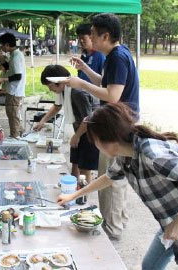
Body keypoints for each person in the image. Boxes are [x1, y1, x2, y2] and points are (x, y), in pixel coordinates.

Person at [57, 102, 178, 269]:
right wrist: (73, 195)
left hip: (175, 222)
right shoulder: (126, 154)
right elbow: (108, 177)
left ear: (108, 140)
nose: (95, 146)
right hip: (168, 223)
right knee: (150, 266)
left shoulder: (152, 154)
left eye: (95, 142)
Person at [65, 13, 140, 240]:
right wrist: (85, 70)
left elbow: (112, 95)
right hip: (120, 122)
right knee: (117, 174)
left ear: (105, 35)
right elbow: (105, 82)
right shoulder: (115, 55)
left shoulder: (117, 57)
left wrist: (81, 84)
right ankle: (119, 221)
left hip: (119, 125)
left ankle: (113, 227)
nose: (90, 38)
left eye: (93, 34)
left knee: (112, 177)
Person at [69, 23, 106, 183]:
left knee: (86, 146)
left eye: (83, 39)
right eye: (79, 39)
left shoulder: (100, 56)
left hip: (93, 104)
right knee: (78, 146)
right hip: (81, 99)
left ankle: (84, 185)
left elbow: (101, 83)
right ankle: (77, 182)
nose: (82, 42)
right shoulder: (84, 56)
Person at [0, 33, 26, 138]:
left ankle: (15, 136)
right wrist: (2, 58)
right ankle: (19, 133)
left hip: (15, 91)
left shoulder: (17, 56)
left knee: (13, 115)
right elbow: (9, 68)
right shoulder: (13, 54)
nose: (1, 47)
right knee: (12, 115)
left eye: (2, 45)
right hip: (12, 90)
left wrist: (2, 79)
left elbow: (18, 76)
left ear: (7, 44)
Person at [33, 65, 74, 134]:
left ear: (60, 82)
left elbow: (87, 119)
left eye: (50, 86)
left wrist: (77, 136)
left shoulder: (75, 91)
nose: (50, 89)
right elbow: (57, 107)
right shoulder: (61, 88)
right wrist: (42, 121)